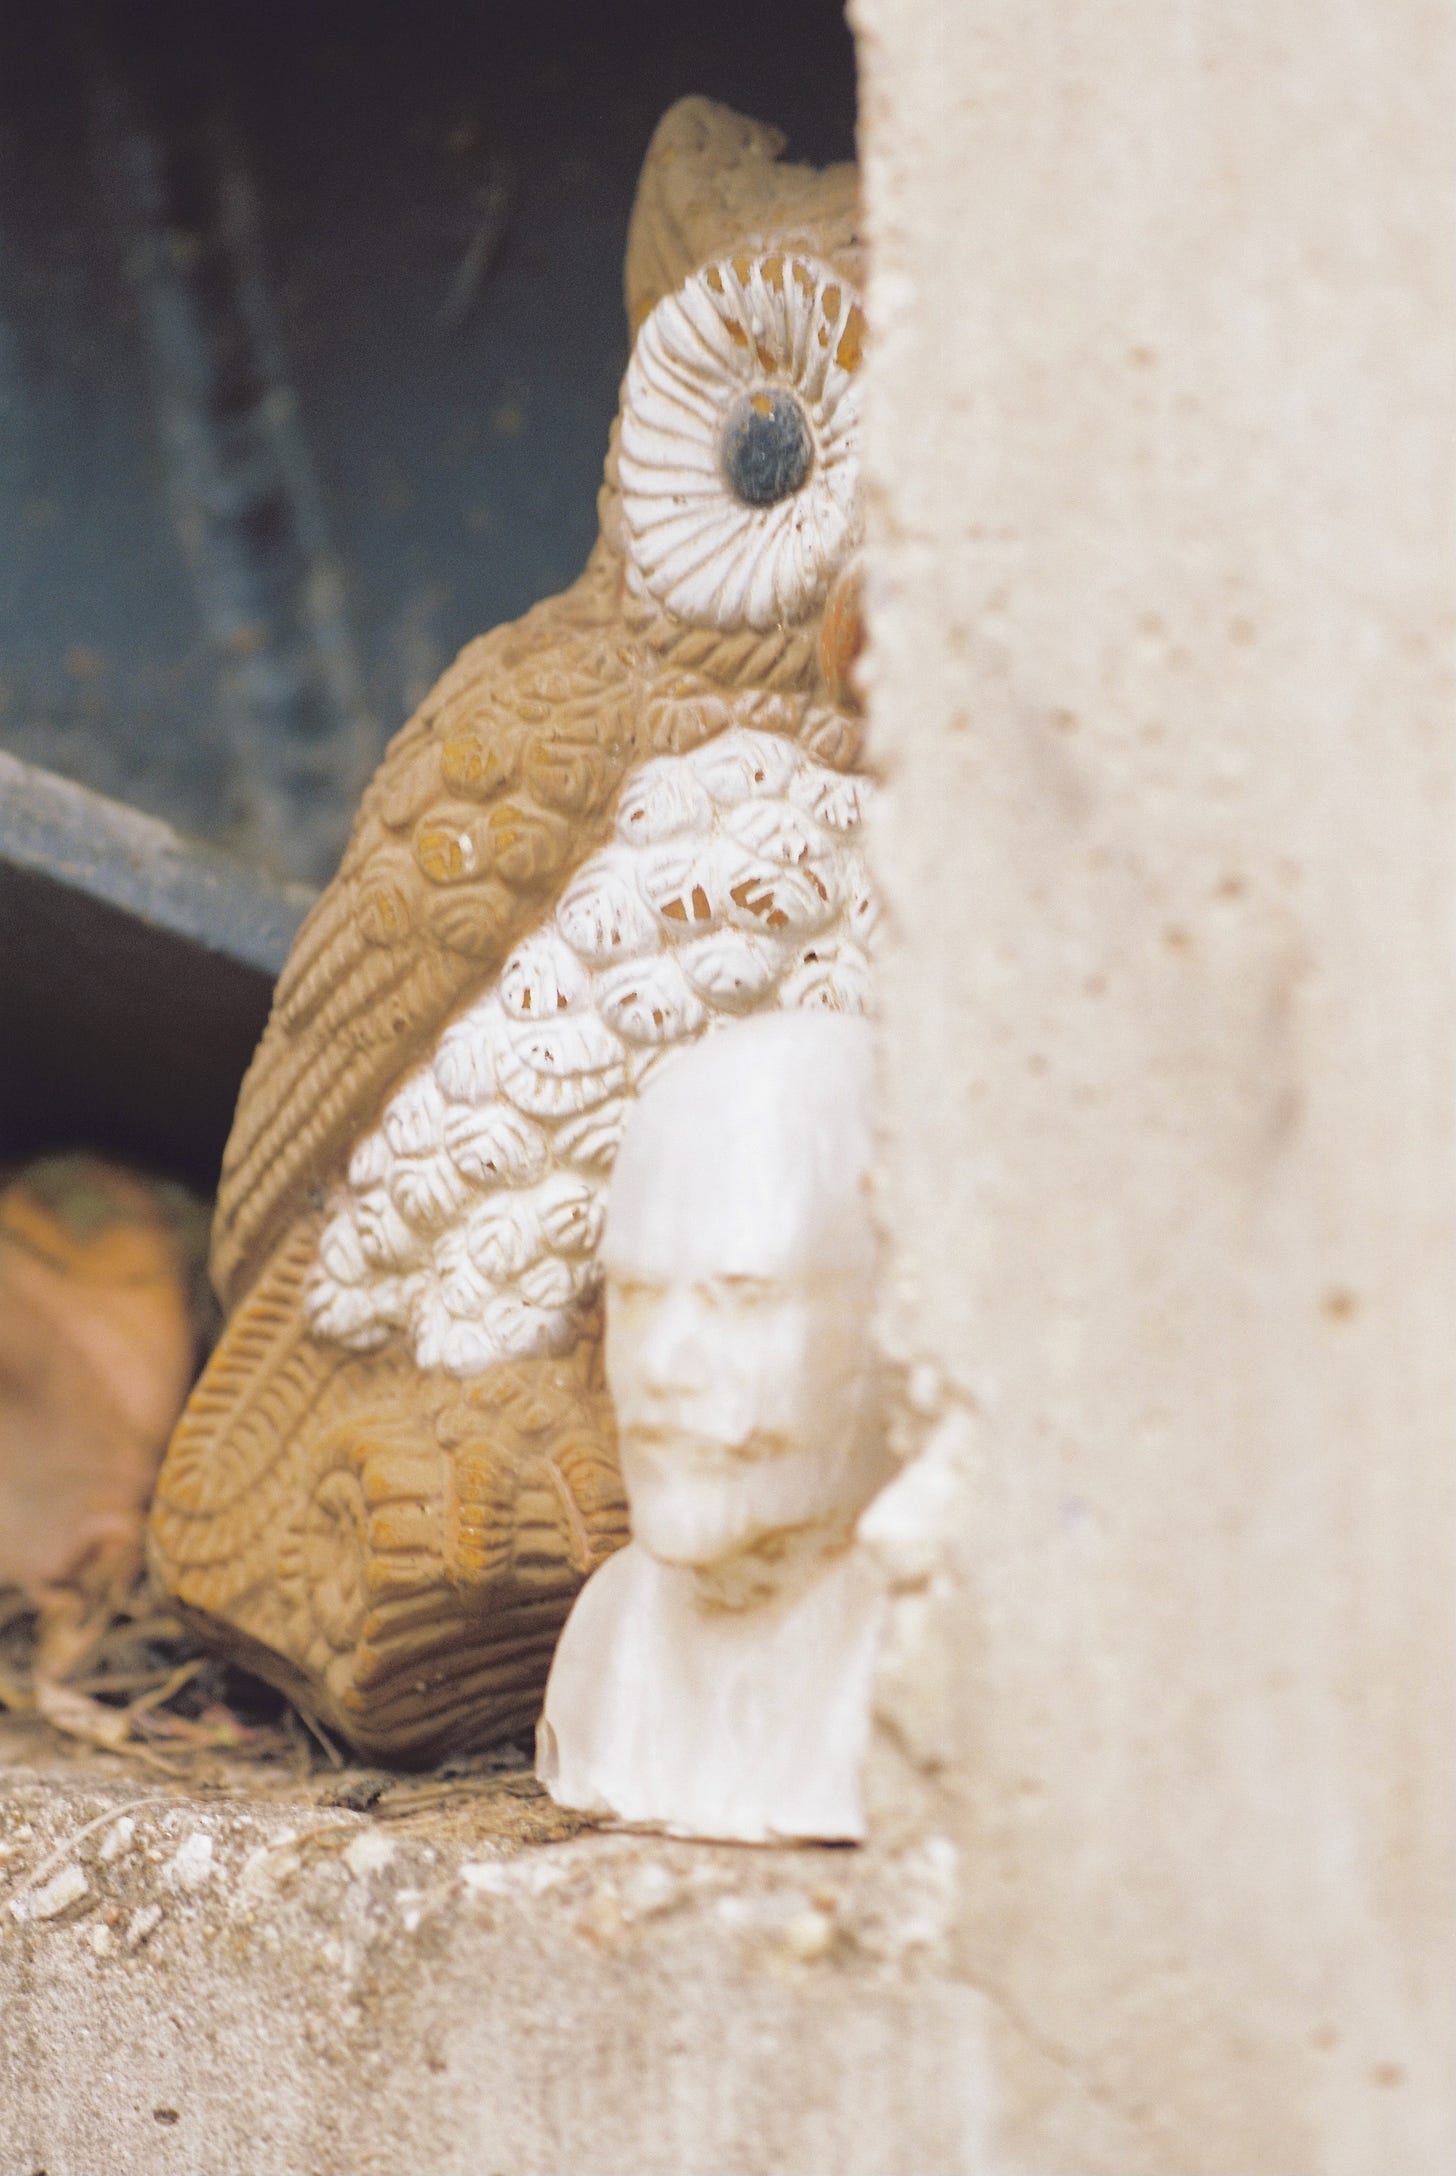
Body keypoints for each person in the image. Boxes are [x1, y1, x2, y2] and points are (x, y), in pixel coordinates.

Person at [536, 1010, 891, 1842]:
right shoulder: (607, 1643)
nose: (662, 1367)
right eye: (635, 1294)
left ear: (896, 1315)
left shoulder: (934, 1664)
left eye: (743, 1298)